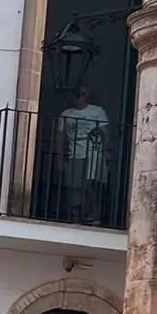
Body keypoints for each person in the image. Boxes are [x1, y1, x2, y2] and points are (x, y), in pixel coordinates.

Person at [57, 86, 111, 225]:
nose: (79, 97)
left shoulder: (97, 111)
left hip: (94, 153)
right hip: (74, 154)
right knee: (74, 186)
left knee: (91, 186)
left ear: (87, 96)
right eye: (76, 94)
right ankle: (75, 216)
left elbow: (105, 133)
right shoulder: (66, 114)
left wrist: (105, 153)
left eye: (82, 94)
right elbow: (60, 138)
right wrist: (59, 157)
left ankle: (93, 216)